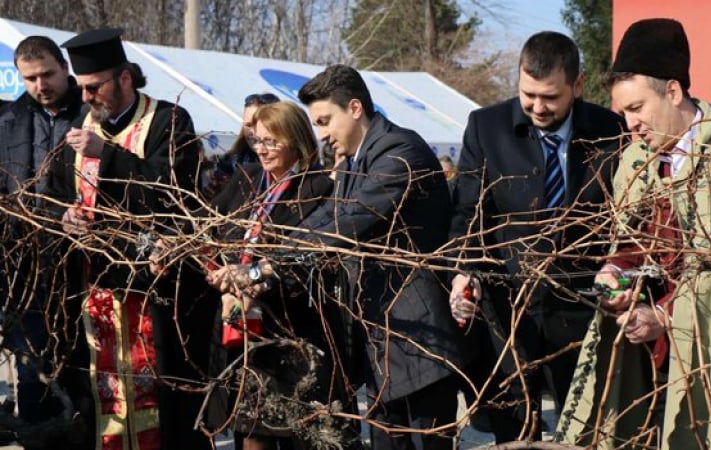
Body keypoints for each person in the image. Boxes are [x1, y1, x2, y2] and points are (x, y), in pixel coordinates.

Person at [555, 18, 711, 449]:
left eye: (636, 109)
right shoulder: (636, 161)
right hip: (649, 361)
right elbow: (632, 243)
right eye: (622, 113)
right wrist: (614, 274)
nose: (629, 125)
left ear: (673, 91)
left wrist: (666, 317)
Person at [446, 31, 624, 443]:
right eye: (528, 95)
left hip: (581, 307)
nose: (537, 107)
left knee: (586, 428)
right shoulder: (485, 127)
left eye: (550, 97)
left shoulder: (610, 130)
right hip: (508, 309)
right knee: (515, 429)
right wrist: (464, 272)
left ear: (577, 86)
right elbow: (469, 213)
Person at [282, 64, 470, 450]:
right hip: (381, 348)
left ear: (354, 108)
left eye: (324, 121)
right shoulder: (354, 162)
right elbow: (328, 213)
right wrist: (273, 246)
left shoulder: (400, 151)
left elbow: (351, 219)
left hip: (419, 345)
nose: (321, 135)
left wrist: (276, 258)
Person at [47, 28, 212, 450]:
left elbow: (174, 196)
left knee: (164, 404)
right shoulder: (77, 127)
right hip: (94, 290)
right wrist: (64, 213)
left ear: (124, 79)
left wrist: (109, 154)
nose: (86, 98)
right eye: (81, 89)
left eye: (94, 87)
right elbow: (52, 193)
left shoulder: (168, 120)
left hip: (152, 289)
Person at [199, 101, 359, 450]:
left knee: (303, 433)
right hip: (245, 337)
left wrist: (255, 279)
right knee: (252, 433)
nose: (262, 150)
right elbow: (208, 228)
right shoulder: (246, 182)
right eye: (257, 141)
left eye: (272, 141)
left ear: (295, 140)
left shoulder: (317, 188)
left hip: (294, 332)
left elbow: (308, 260)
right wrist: (219, 270)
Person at [0, 35, 83, 435]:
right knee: (31, 366)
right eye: (30, 78)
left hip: (84, 261)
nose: (40, 85)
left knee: (82, 369)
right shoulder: (7, 121)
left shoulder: (91, 114)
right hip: (25, 267)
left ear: (65, 67)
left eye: (47, 74)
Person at [203, 92, 279, 198]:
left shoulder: (288, 164)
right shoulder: (231, 162)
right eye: (248, 125)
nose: (253, 132)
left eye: (258, 124)